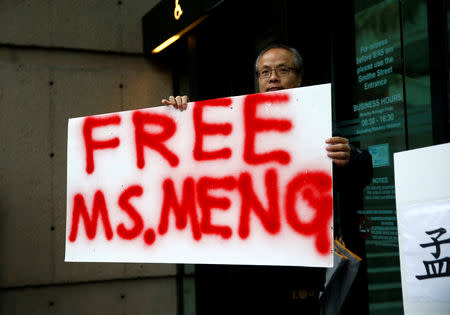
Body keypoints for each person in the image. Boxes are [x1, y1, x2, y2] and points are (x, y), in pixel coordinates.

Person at [162, 43, 373, 314]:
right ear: (258, 82)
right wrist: (180, 119)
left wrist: (351, 156)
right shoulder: (233, 124)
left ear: (298, 78)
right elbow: (192, 166)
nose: (273, 77)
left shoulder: (317, 124)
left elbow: (363, 171)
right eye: (265, 72)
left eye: (282, 70)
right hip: (246, 274)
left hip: (298, 274)